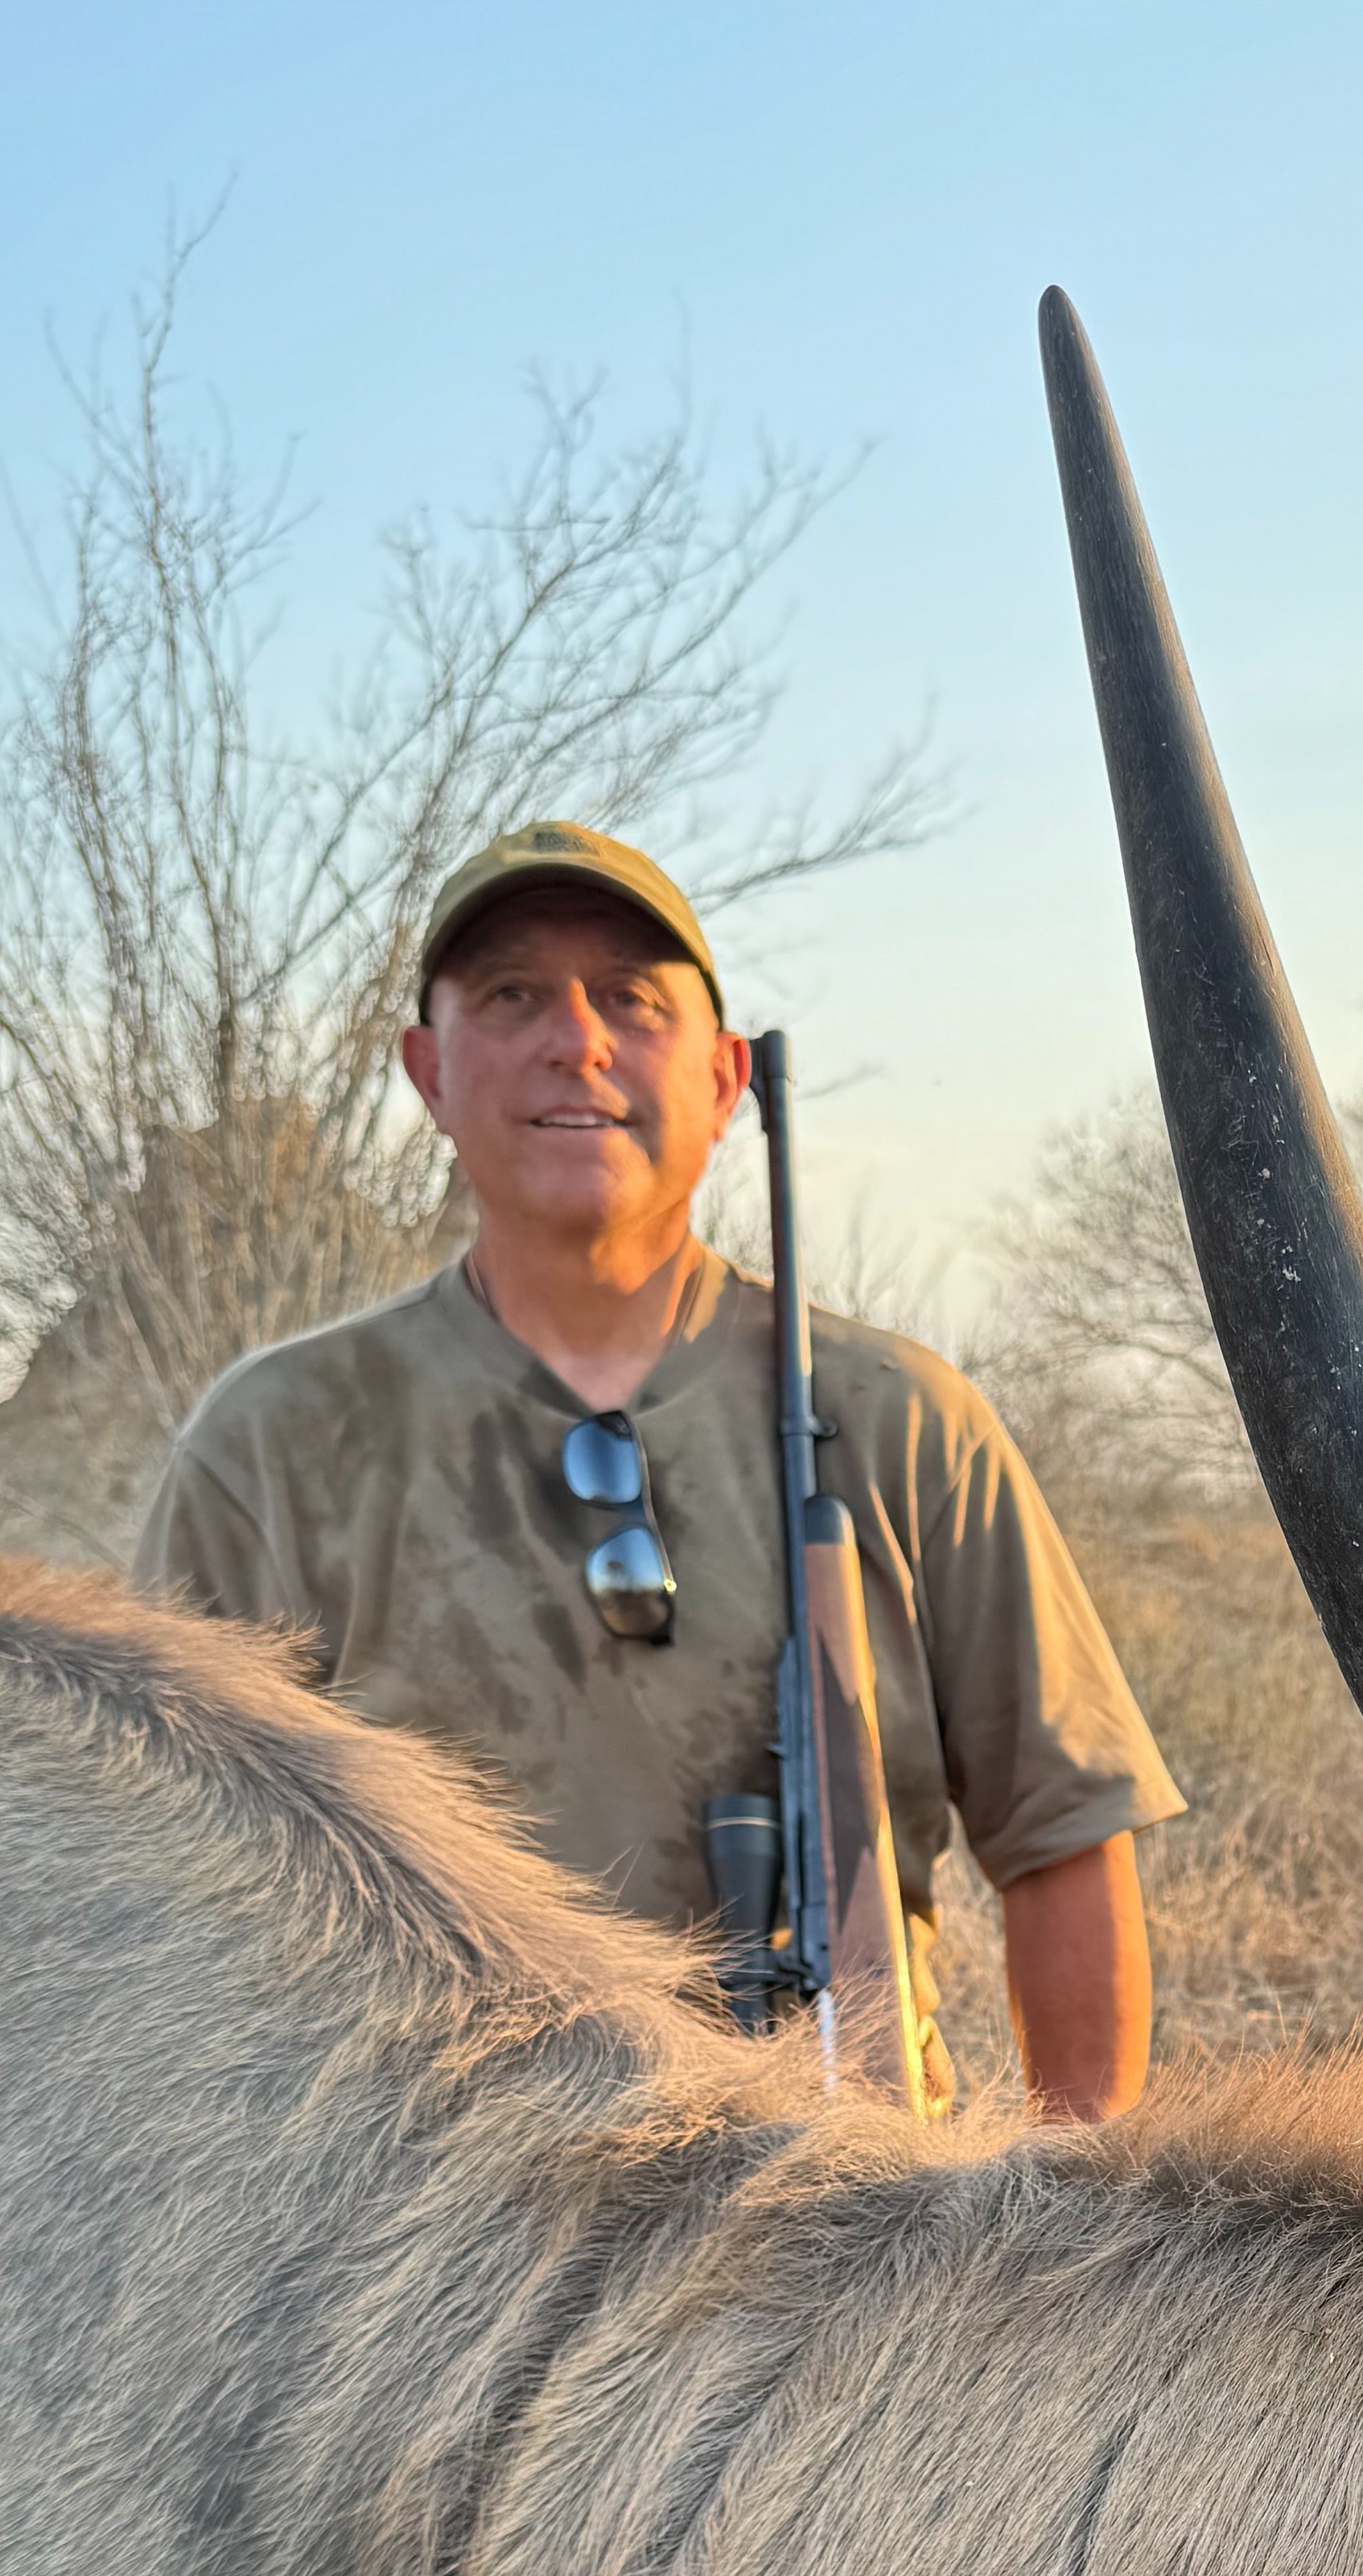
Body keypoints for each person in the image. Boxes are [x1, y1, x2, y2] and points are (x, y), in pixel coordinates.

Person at [134, 820, 1180, 2115]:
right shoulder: (276, 1440)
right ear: (428, 1069)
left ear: (729, 1076)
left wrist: (1055, 2248)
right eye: (513, 995)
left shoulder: (907, 1419)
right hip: (423, 2250)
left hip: (850, 2224)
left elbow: (1064, 1843)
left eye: (630, 999)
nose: (576, 1039)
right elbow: (166, 1904)